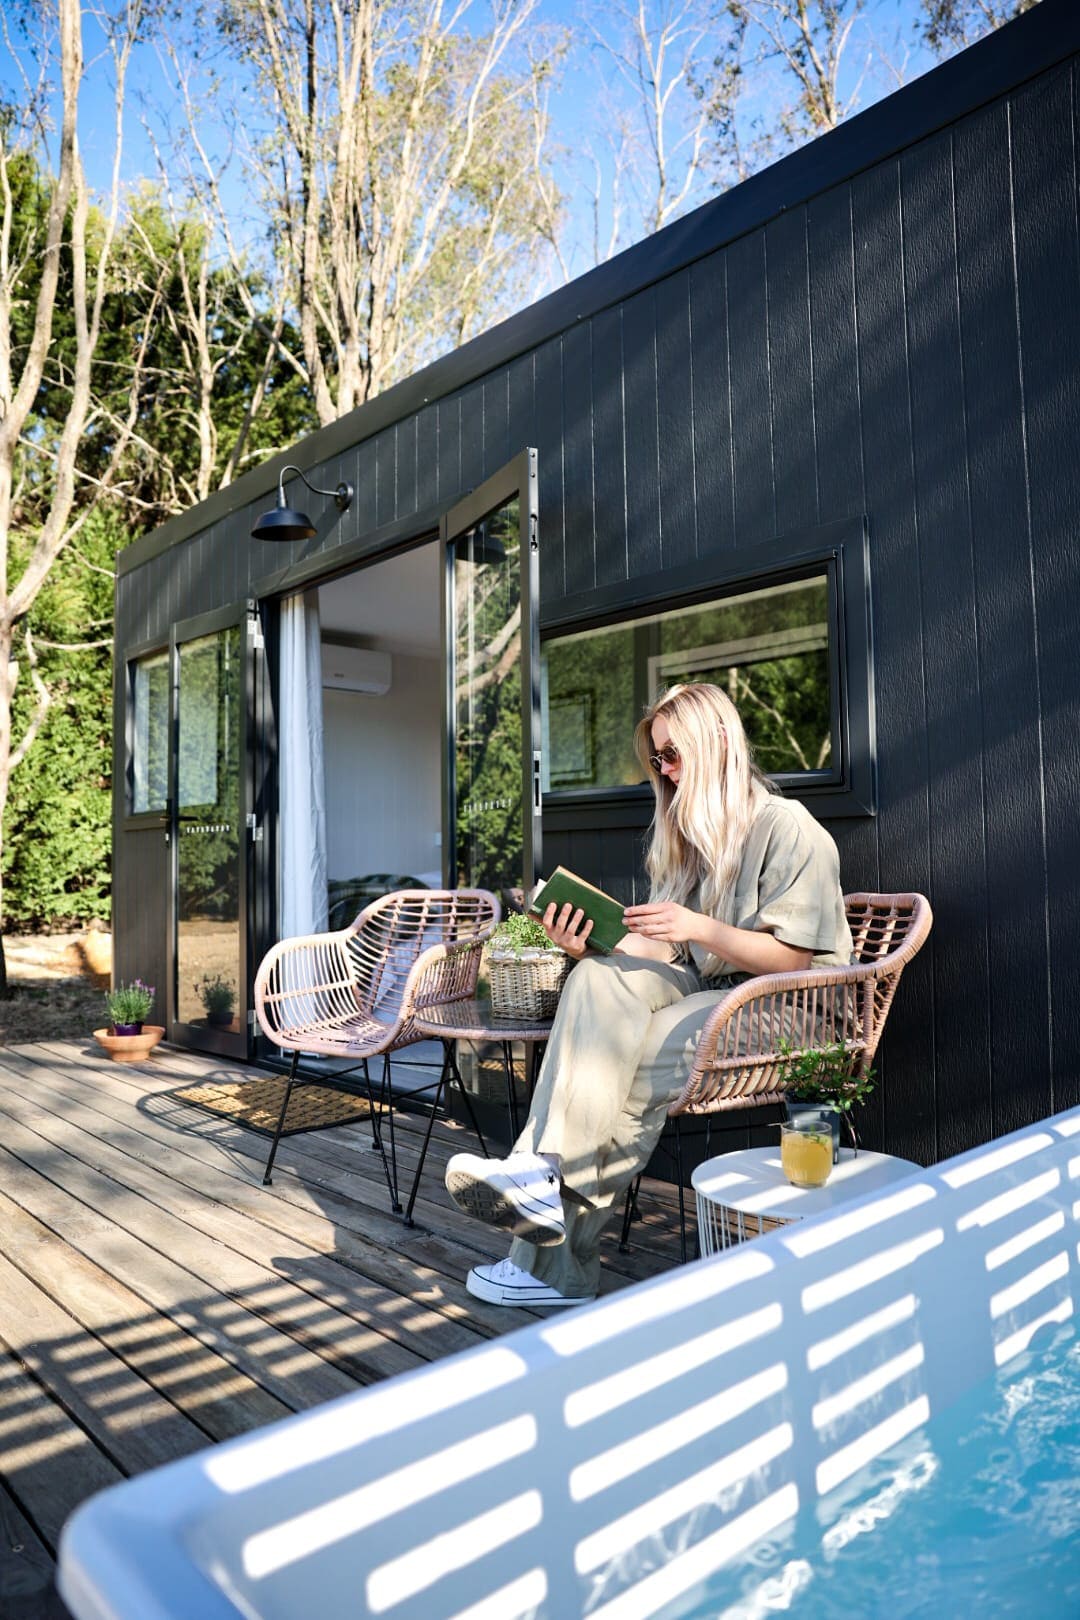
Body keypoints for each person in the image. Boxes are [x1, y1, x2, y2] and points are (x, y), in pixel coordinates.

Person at [444, 681, 853, 1307]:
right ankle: (537, 1174)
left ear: (716, 742)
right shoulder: (693, 839)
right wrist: (587, 945)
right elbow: (672, 952)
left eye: (673, 755)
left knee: (633, 1063)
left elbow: (794, 956)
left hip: (788, 1004)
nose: (664, 771)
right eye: (657, 760)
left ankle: (554, 1268)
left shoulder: (787, 828)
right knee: (597, 980)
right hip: (714, 991)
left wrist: (698, 927)